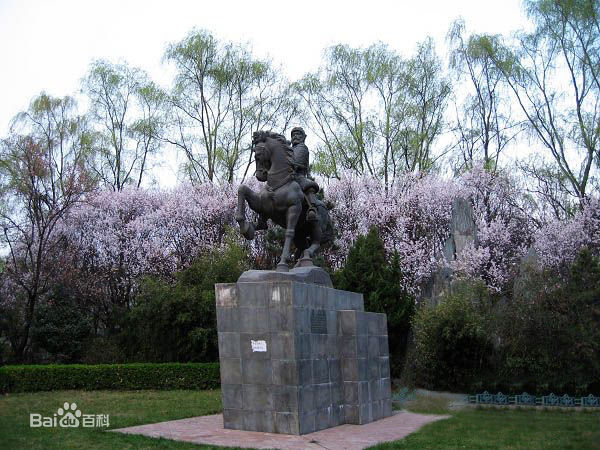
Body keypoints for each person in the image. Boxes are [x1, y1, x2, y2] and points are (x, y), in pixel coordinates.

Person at [290, 127, 319, 221]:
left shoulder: (302, 148)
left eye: (298, 134)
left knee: (309, 186)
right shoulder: (288, 149)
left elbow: (298, 162)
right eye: (293, 135)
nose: (295, 136)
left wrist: (293, 166)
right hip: (287, 176)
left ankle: (312, 208)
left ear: (303, 137)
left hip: (299, 175)